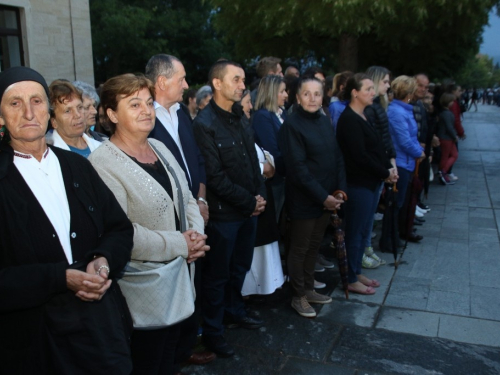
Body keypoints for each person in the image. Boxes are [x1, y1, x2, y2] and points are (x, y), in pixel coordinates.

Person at [0, 66, 134, 374]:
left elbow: (118, 228)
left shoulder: (78, 167)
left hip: (99, 327)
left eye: (36, 101)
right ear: (1, 118)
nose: (28, 112)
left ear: (48, 110)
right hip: (34, 339)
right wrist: (61, 277)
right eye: (15, 103)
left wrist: (103, 260)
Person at [88, 73, 209, 375]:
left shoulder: (160, 147)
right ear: (112, 114)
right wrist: (183, 244)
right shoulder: (102, 163)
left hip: (181, 279)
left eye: (148, 103)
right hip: (143, 292)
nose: (146, 110)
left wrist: (196, 237)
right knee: (148, 363)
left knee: (171, 358)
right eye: (134, 104)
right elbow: (122, 231)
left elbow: (187, 198)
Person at [193, 60, 266, 357]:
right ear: (217, 83)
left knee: (240, 267)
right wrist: (249, 201)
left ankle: (235, 310)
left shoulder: (240, 116)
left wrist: (259, 196)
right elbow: (214, 176)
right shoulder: (204, 124)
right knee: (217, 276)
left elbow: (253, 160)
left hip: (249, 210)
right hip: (225, 215)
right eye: (236, 79)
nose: (242, 85)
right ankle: (213, 332)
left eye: (243, 80)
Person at [279, 77, 346, 317]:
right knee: (299, 249)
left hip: (327, 199)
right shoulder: (291, 125)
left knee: (313, 247)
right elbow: (298, 170)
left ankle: (308, 289)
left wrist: (340, 190)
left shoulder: (324, 119)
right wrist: (323, 197)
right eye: (306, 94)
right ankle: (298, 296)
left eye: (317, 94)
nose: (312, 98)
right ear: (297, 97)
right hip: (305, 200)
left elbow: (336, 156)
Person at [337, 73, 397, 295]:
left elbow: (377, 148)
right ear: (355, 92)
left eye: (373, 88)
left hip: (371, 182)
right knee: (354, 232)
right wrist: (384, 172)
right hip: (358, 184)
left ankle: (356, 271)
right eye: (368, 89)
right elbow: (359, 156)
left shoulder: (364, 115)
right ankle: (350, 278)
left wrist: (388, 171)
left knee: (364, 231)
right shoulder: (349, 119)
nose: (373, 93)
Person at [145, 54, 208, 223]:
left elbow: (198, 157)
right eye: (181, 80)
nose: (186, 86)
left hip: (196, 210)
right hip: (169, 219)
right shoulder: (145, 120)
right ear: (162, 82)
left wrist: (201, 200)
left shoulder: (182, 111)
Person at [364, 66, 395, 268]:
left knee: (370, 213)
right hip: (373, 170)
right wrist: (386, 168)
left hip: (381, 167)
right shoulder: (370, 108)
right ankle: (363, 251)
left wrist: (391, 163)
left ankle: (367, 248)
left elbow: (385, 139)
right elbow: (375, 142)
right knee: (365, 215)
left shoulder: (379, 106)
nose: (388, 85)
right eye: (384, 81)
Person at [387, 76, 425, 243]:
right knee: (396, 204)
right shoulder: (397, 111)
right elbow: (404, 140)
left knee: (401, 203)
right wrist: (419, 152)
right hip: (401, 162)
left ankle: (395, 235)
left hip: (407, 161)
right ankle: (390, 239)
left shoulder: (403, 110)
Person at [252, 75, 288, 221]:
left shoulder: (280, 113)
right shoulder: (262, 116)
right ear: (271, 93)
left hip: (282, 179)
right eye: (282, 91)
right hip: (274, 181)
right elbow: (272, 149)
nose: (286, 95)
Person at [46, 80, 101, 157]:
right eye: (68, 111)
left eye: (80, 107)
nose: (78, 115)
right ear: (54, 122)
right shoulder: (49, 155)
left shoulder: (100, 147)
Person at [436, 92, 459, 185]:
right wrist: (454, 136)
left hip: (447, 137)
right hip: (446, 137)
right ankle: (443, 172)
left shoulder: (445, 113)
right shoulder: (446, 113)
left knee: (454, 154)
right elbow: (449, 127)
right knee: (446, 156)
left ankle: (443, 171)